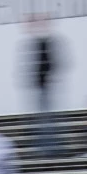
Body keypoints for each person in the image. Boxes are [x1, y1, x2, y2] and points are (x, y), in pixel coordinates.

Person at [22, 16, 65, 159]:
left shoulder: (47, 42)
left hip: (44, 86)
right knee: (45, 120)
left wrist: (47, 79)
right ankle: (47, 148)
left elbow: (51, 64)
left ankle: (49, 149)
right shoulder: (40, 43)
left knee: (46, 120)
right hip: (41, 86)